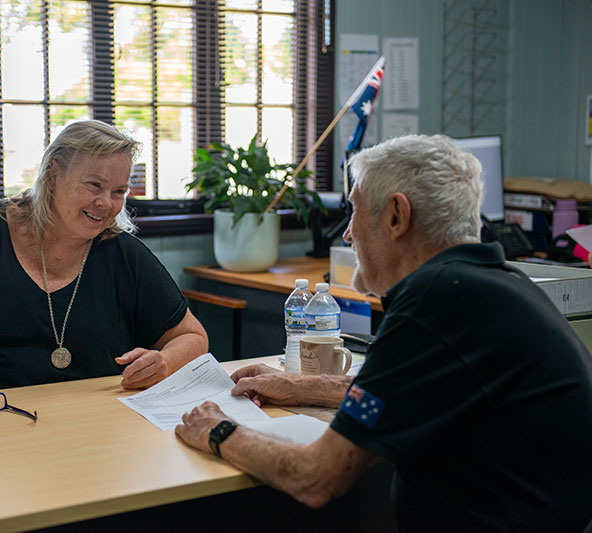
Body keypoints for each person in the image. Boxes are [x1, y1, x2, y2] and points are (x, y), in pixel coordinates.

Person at [175, 134, 592, 531]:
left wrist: (218, 430)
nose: (349, 233)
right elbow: (410, 393)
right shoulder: (487, 285)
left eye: (355, 211)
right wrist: (302, 387)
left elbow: (316, 477)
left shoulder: (436, 301)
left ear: (396, 215)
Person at [0, 120, 207, 399]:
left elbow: (193, 337)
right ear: (52, 175)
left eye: (119, 191)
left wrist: (164, 362)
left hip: (90, 425)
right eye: (94, 185)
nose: (106, 203)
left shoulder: (123, 252)